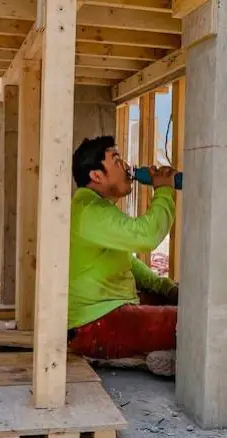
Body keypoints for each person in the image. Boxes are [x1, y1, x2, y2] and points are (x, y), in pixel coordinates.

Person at [67, 135, 180, 376]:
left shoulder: (95, 208)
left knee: (183, 303)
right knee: (192, 320)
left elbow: (125, 259)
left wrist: (165, 288)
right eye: (116, 160)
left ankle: (162, 353)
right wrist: (163, 189)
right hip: (96, 325)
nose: (127, 166)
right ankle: (166, 355)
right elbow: (147, 237)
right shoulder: (91, 211)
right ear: (96, 176)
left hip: (108, 312)